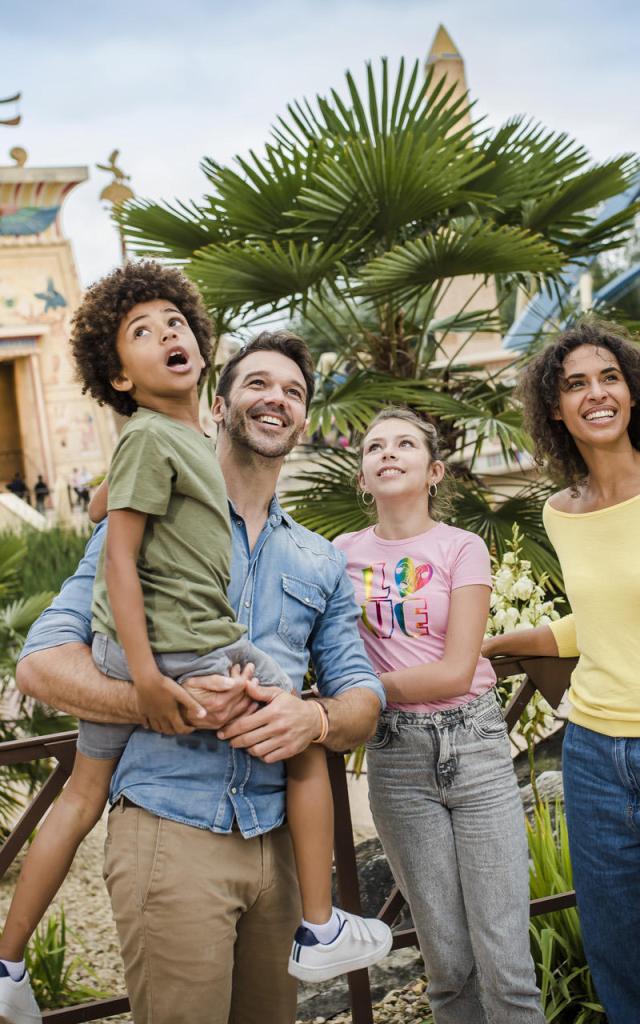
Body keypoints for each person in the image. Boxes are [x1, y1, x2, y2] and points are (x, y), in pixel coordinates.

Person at [5, 305, 386, 1024]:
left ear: (302, 419)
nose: (277, 398)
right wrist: (161, 699)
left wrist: (312, 716)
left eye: (295, 391)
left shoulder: (320, 560)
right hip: (171, 831)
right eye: (258, 383)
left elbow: (360, 695)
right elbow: (42, 665)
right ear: (218, 404)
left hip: (279, 847)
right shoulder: (147, 518)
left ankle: (321, 926)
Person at [334, 408, 544, 1024]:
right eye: (375, 446)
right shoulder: (338, 555)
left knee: (507, 967)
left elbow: (456, 671)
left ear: (434, 471)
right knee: (448, 968)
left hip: (474, 746)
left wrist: (357, 692)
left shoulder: (461, 546)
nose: (388, 452)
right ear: (363, 478)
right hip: (397, 757)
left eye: (405, 444)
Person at [482, 318, 640, 1024]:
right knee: (616, 947)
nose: (596, 393)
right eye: (576, 383)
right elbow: (601, 612)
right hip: (593, 753)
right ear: (554, 406)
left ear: (632, 392)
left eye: (610, 376)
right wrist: (509, 642)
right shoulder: (561, 512)